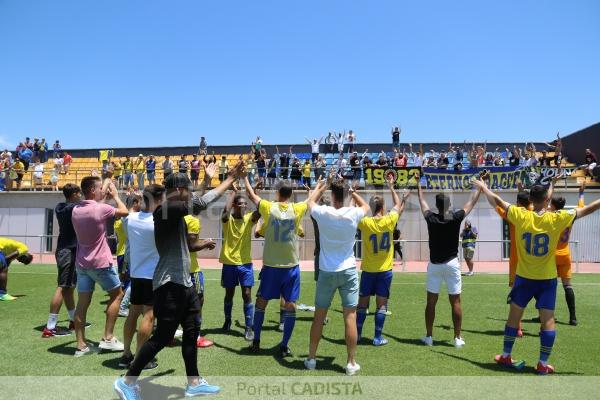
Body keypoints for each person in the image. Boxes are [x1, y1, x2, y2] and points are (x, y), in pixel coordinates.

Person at [114, 162, 243, 399]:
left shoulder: (174, 211)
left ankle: (194, 382)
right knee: (162, 337)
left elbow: (190, 233)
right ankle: (127, 382)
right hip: (169, 283)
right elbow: (202, 202)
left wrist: (206, 181)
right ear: (181, 189)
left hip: (184, 282)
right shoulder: (166, 209)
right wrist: (230, 178)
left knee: (192, 332)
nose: (191, 191)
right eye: (189, 188)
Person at [473, 179, 600, 374]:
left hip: (524, 277)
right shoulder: (556, 218)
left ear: (531, 199)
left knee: (514, 317)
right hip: (547, 279)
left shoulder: (521, 215)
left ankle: (506, 356)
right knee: (547, 320)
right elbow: (588, 209)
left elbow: (497, 201)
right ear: (547, 199)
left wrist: (484, 188)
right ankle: (542, 363)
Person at [304, 171, 369, 375]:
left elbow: (309, 202)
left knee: (318, 316)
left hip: (326, 271)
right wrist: (352, 192)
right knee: (350, 317)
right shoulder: (353, 213)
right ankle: (351, 363)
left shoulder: (324, 212)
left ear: (332, 196)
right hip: (348, 270)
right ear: (346, 196)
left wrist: (323, 185)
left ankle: (311, 359)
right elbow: (366, 206)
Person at [243, 175, 308, 357]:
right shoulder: (297, 209)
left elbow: (250, 194)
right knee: (291, 305)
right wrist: (321, 184)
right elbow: (313, 199)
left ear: (278, 192)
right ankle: (284, 345)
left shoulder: (269, 207)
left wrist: (244, 177)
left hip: (271, 266)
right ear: (291, 194)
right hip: (291, 266)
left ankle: (256, 342)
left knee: (261, 302)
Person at [415, 171, 481, 348]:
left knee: (431, 302)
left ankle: (429, 337)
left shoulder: (432, 218)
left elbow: (422, 202)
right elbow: (471, 202)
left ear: (436, 206)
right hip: (452, 264)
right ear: (449, 205)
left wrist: (418, 185)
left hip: (435, 265)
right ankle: (457, 338)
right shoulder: (454, 218)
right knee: (456, 301)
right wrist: (480, 186)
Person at [71, 176, 129, 357]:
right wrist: (117, 196)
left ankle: (81, 345)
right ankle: (108, 337)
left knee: (82, 303)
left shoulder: (76, 210)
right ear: (92, 191)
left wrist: (105, 184)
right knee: (117, 294)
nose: (102, 192)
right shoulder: (101, 208)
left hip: (82, 263)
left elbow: (97, 205)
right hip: (100, 262)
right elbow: (125, 211)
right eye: (99, 189)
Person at [356, 175, 409, 346]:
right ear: (383, 207)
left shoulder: (365, 222)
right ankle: (377, 338)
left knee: (362, 304)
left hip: (368, 270)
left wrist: (353, 193)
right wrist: (392, 187)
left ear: (371, 207)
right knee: (381, 306)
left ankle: (357, 335)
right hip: (385, 271)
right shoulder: (389, 220)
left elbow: (353, 211)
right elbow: (398, 206)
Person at [118, 185, 164, 371]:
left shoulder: (131, 219)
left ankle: (125, 354)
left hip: (136, 275)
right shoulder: (158, 222)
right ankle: (139, 358)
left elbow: (128, 210)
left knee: (132, 313)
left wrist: (120, 195)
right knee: (149, 316)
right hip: (153, 275)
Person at [220, 188, 260, 340]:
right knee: (229, 294)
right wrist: (233, 193)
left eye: (245, 204)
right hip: (229, 264)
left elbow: (260, 210)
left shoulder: (249, 219)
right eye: (241, 204)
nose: (244, 206)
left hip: (245, 264)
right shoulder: (227, 220)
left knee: (247, 294)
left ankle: (249, 327)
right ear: (235, 206)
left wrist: (253, 193)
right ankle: (227, 320)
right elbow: (225, 210)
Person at [42, 184, 82, 337]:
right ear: (75, 194)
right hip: (68, 252)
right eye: (79, 193)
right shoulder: (72, 208)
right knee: (63, 286)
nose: (81, 196)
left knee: (69, 287)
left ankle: (73, 320)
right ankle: (50, 327)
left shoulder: (60, 206)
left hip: (67, 250)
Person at [548, 182, 586, 326]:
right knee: (568, 286)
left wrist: (551, 186)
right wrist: (581, 193)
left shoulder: (550, 216)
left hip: (551, 256)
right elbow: (582, 208)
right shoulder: (569, 215)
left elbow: (543, 204)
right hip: (565, 254)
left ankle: (545, 315)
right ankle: (573, 317)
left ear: (553, 206)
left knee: (548, 286)